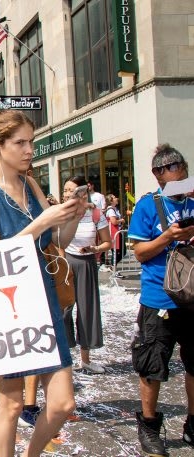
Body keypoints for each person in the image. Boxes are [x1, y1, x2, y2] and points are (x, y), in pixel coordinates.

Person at [0, 110, 84, 457]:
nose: (29, 149)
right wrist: (42, 220)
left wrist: (72, 217)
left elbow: (56, 239)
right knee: (12, 404)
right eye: (20, 143)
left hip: (43, 299)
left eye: (31, 141)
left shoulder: (30, 184)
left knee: (62, 403)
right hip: (7, 304)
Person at [127, 144, 194, 457]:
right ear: (158, 175)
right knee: (152, 366)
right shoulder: (148, 205)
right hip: (159, 299)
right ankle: (149, 425)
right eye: (170, 173)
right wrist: (168, 237)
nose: (178, 179)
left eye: (181, 171)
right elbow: (139, 252)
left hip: (191, 297)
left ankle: (192, 424)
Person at [61, 176, 112, 374]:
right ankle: (66, 358)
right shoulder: (61, 213)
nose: (67, 194)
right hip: (65, 262)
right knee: (64, 311)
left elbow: (108, 242)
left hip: (87, 262)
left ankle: (86, 359)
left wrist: (95, 248)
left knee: (87, 310)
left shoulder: (95, 213)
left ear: (83, 191)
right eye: (65, 190)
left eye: (72, 190)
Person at [105, 193, 126, 269]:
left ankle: (113, 266)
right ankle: (113, 267)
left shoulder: (115, 209)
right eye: (114, 197)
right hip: (114, 233)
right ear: (111, 201)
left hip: (117, 232)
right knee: (117, 251)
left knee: (121, 251)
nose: (116, 198)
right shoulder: (111, 210)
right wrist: (121, 220)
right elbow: (113, 221)